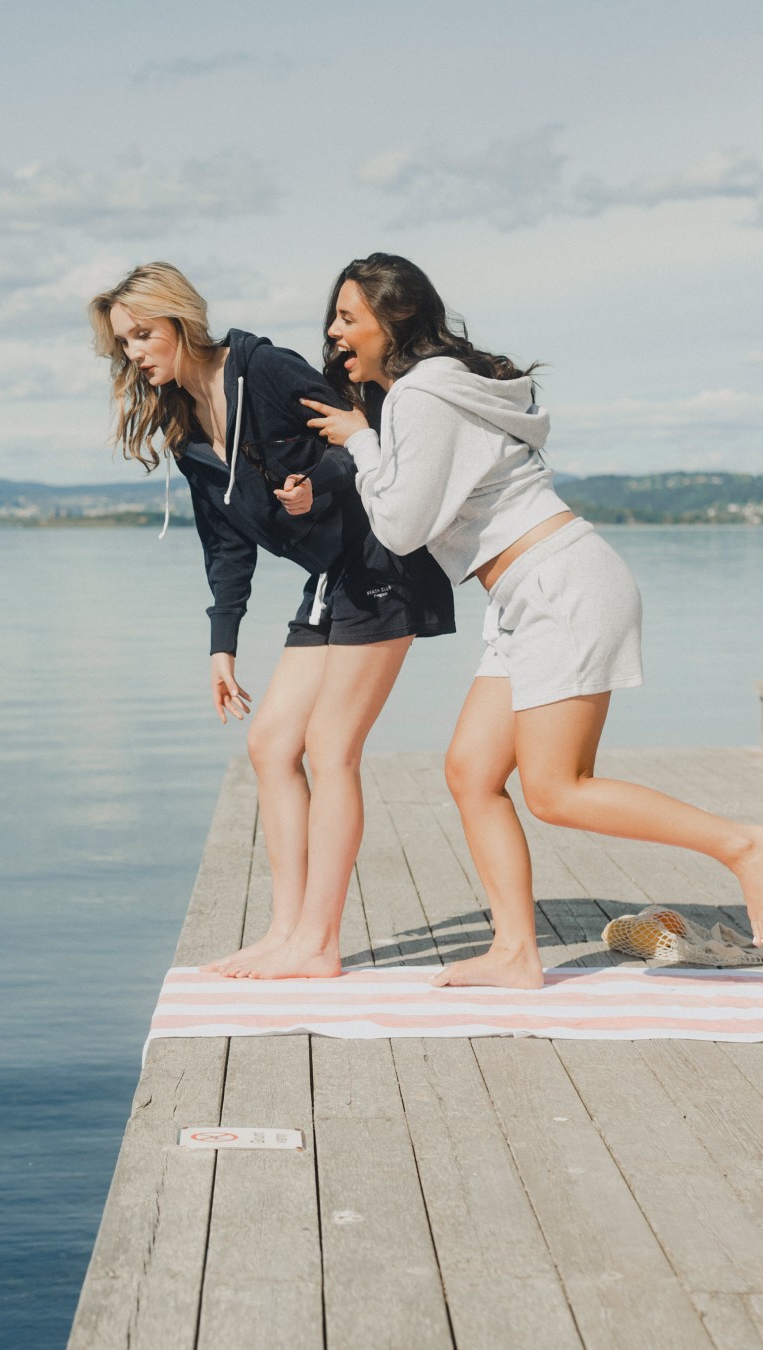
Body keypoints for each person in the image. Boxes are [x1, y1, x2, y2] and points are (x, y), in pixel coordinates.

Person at [298, 252, 763, 989]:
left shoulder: (420, 397)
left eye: (347, 317)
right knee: (471, 771)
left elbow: (400, 528)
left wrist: (360, 440)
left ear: (392, 319)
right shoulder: (441, 388)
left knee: (557, 790)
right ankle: (516, 953)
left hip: (559, 585)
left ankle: (744, 844)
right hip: (527, 594)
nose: (335, 334)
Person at [88, 262, 454, 977]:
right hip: (329, 577)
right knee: (271, 746)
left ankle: (319, 944)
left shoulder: (266, 370)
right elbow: (223, 544)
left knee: (329, 746)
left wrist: (312, 485)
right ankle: (288, 932)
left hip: (383, 564)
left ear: (178, 323)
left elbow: (370, 438)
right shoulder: (186, 426)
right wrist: (221, 647)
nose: (133, 353)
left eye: (140, 335)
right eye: (123, 344)